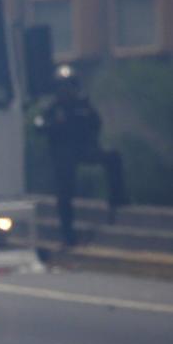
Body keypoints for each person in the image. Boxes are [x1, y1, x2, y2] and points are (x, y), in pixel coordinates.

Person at [35, 65, 128, 246]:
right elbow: (39, 124)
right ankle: (67, 234)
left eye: (69, 86)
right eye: (62, 86)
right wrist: (53, 125)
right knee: (65, 192)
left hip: (85, 149)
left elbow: (96, 123)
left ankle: (118, 198)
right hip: (63, 154)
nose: (66, 90)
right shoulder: (52, 108)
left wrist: (87, 130)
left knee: (113, 157)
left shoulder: (83, 105)